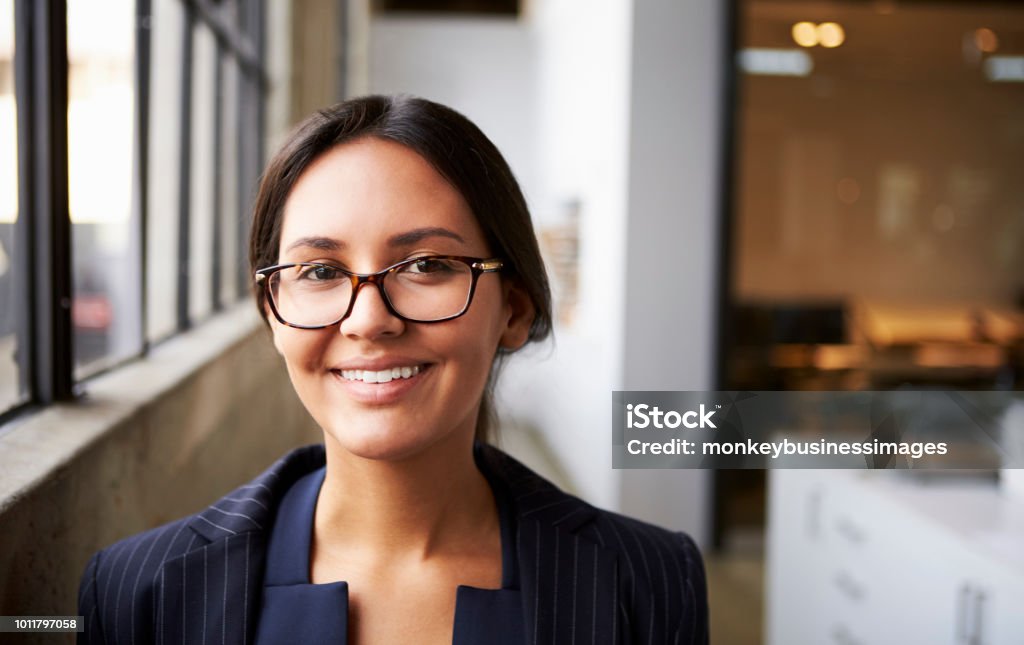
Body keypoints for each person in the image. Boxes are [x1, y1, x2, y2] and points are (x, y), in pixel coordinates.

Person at [78, 95, 709, 644]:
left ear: (513, 309)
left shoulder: (649, 583)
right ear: (273, 313)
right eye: (321, 272)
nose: (368, 320)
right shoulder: (138, 594)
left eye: (427, 265)